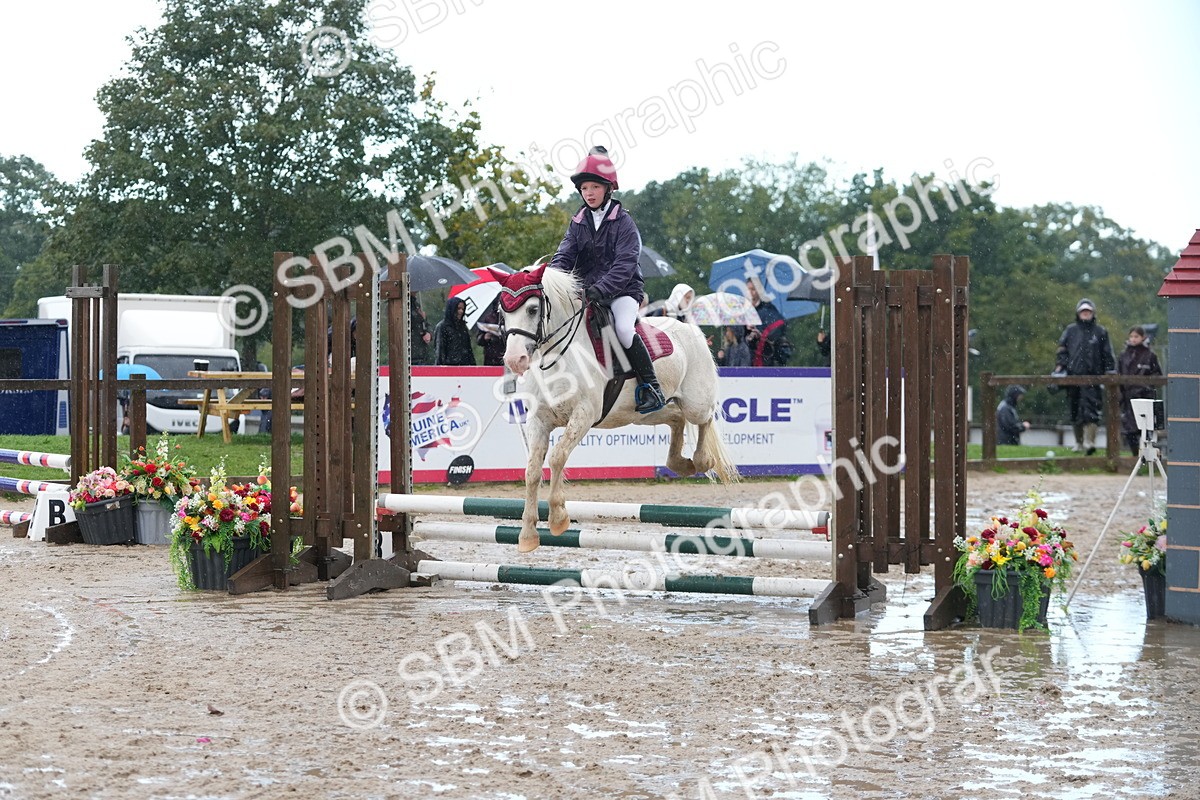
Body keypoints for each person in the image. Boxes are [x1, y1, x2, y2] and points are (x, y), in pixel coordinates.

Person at [550, 145, 665, 413]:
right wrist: (552, 280)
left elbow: (625, 264)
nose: (589, 193)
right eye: (584, 188)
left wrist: (600, 289)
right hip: (589, 291)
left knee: (623, 328)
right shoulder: (578, 222)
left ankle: (652, 388)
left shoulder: (624, 223)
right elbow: (564, 254)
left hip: (623, 291)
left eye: (594, 187)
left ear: (608, 188)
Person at [1056, 298, 1115, 455]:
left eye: (1088, 311)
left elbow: (1108, 355)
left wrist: (1109, 372)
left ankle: (1090, 442)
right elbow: (1062, 351)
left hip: (1094, 378)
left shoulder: (1100, 332)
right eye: (1083, 311)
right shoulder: (1070, 331)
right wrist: (1061, 367)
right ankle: (1079, 442)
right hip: (1073, 377)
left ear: (1093, 313)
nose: (1085, 314)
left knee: (1092, 411)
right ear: (1078, 313)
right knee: (1074, 410)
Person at [1118, 325, 1163, 455]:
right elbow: (1118, 375)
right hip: (1128, 399)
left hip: (1145, 397)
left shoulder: (1150, 355)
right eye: (1131, 336)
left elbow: (1157, 375)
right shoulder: (1123, 356)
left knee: (1146, 429)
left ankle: (1147, 457)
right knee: (1129, 431)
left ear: (1143, 337)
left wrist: (1145, 385)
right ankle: (1136, 456)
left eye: (1136, 336)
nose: (1133, 339)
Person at [743, 277, 792, 366]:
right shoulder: (742, 310)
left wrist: (758, 331)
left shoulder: (768, 310)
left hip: (763, 360)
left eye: (753, 289)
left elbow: (777, 328)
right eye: (748, 289)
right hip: (745, 360)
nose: (750, 293)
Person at [433, 296, 476, 366]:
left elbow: (469, 349)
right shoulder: (442, 327)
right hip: (450, 366)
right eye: (458, 308)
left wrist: (472, 366)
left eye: (463, 309)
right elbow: (440, 350)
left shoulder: (463, 327)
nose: (461, 311)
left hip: (464, 365)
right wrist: (441, 367)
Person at [475, 296, 506, 367]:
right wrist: (484, 337)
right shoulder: (488, 318)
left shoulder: (508, 318)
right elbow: (479, 340)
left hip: (505, 353)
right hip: (491, 356)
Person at [410, 292, 433, 365]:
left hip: (422, 353)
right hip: (412, 354)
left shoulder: (417, 305)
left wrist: (429, 333)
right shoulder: (404, 306)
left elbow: (426, 324)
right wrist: (420, 318)